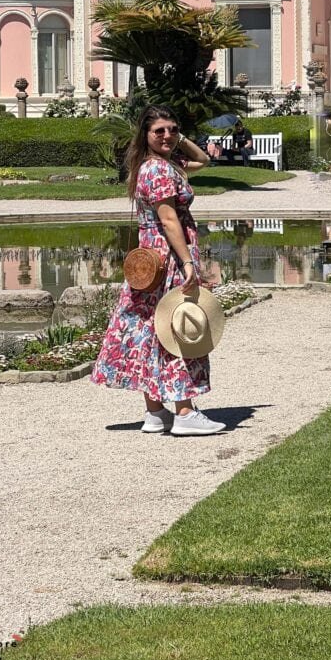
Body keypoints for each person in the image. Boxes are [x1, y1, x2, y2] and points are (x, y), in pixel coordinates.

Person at [91, 104, 225, 436]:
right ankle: (184, 412)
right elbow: (169, 220)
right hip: (169, 260)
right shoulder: (160, 171)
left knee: (151, 331)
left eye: (172, 129)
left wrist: (178, 138)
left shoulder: (156, 165)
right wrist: (189, 262)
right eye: (159, 131)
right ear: (145, 135)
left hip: (149, 262)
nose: (167, 135)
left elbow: (205, 160)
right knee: (179, 328)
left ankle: (155, 412)